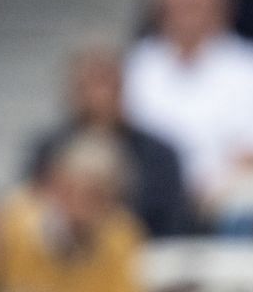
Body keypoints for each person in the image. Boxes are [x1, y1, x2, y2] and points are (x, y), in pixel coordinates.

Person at [121, 0, 253, 215]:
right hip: (146, 208)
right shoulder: (135, 66)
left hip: (231, 212)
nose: (187, 3)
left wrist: (205, 193)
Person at [23, 43, 195, 238]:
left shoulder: (160, 155)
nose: (100, 95)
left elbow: (174, 222)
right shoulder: (48, 151)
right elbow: (30, 213)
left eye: (107, 82)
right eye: (90, 84)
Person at [0, 134, 148, 292]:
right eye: (70, 191)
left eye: (96, 196)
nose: (80, 206)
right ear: (53, 185)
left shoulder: (122, 234)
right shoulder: (17, 222)